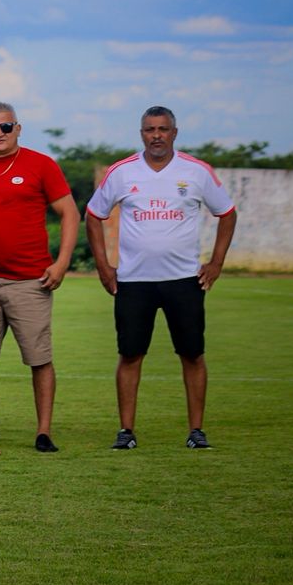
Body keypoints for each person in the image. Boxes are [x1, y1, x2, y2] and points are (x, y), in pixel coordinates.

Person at [85, 105, 237, 450]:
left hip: (183, 280)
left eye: (163, 129)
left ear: (174, 133)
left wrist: (216, 262)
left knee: (192, 354)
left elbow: (227, 213)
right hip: (133, 281)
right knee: (130, 354)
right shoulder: (122, 172)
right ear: (142, 134)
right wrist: (104, 266)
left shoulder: (196, 171)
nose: (156, 135)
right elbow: (93, 215)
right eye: (150, 129)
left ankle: (196, 431)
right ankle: (126, 431)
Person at [0, 102, 79, 453]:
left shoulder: (42, 164)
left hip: (30, 281)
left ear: (18, 129)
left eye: (6, 127)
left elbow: (69, 213)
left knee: (39, 358)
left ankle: (43, 432)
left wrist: (62, 263)